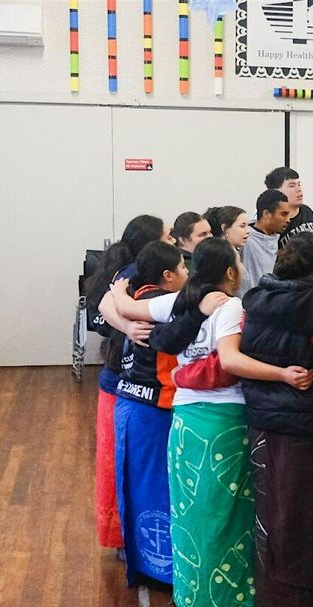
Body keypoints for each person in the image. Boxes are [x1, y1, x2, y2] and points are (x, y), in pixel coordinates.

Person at [164, 238, 313, 607]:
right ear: (230, 271)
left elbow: (129, 312)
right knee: (228, 512)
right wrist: (282, 373)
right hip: (223, 421)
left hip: (184, 420)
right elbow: (230, 360)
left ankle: (193, 597)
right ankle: (227, 602)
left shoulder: (183, 302)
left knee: (190, 511)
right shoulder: (229, 305)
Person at [234, 233, 313, 607]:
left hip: (264, 423)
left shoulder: (257, 300)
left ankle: (281, 605)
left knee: (274, 513)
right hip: (312, 426)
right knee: (312, 517)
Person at [108, 241, 192, 587]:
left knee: (135, 485)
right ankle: (164, 569)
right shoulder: (164, 304)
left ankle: (142, 560)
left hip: (128, 402)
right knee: (160, 487)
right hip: (155, 409)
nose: (188, 273)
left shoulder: (129, 292)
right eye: (183, 268)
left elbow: (108, 299)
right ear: (168, 275)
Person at [87, 214, 168, 550]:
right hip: (124, 383)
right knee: (126, 464)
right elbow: (106, 305)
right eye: (166, 236)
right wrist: (129, 326)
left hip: (118, 381)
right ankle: (127, 539)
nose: (172, 241)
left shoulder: (123, 276)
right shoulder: (134, 277)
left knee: (119, 462)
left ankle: (125, 539)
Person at [240, 190, 297, 295]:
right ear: (267, 214)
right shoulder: (245, 238)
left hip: (265, 303)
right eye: (283, 214)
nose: (288, 220)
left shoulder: (276, 238)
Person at [265, 166, 313, 247]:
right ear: (276, 191)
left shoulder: (306, 211)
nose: (298, 189)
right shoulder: (272, 219)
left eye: (299, 184)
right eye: (292, 185)